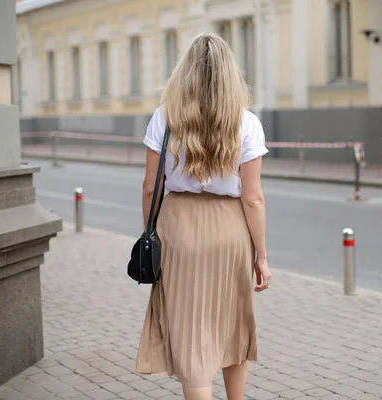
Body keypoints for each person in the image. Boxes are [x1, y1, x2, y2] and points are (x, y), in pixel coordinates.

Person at [134, 32, 272, 400]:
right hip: (231, 231)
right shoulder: (247, 123)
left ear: (184, 73)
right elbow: (253, 198)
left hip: (179, 229)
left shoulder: (164, 118)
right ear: (231, 75)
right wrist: (261, 256)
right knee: (232, 324)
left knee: (191, 332)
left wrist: (153, 233)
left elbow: (151, 188)